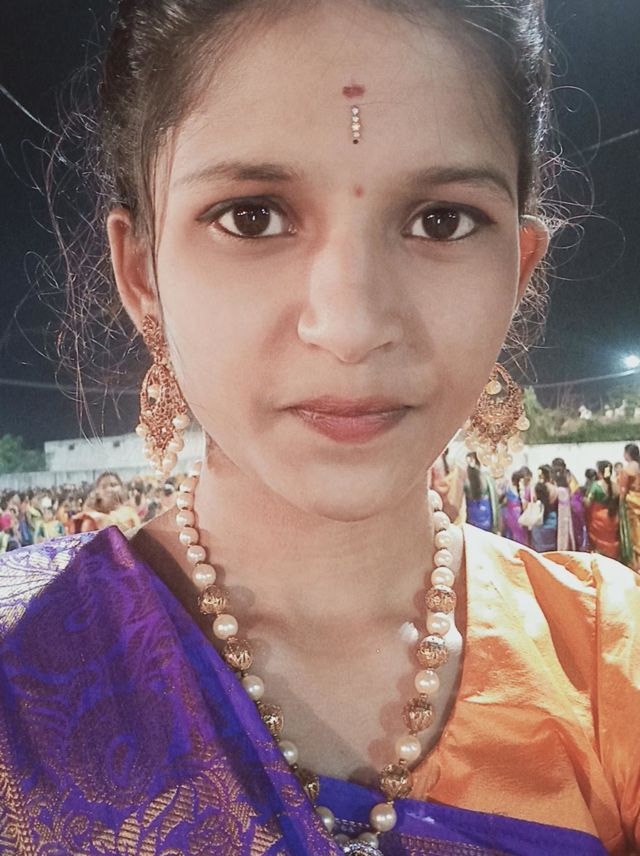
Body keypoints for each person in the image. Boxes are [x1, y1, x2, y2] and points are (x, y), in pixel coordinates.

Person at [0, 2, 638, 854]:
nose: (352, 326)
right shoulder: (22, 663)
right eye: (252, 215)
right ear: (141, 271)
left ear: (516, 273)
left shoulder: (608, 664)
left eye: (442, 220)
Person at [584, 461, 620, 561]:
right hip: (613, 518)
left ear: (600, 472)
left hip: (598, 519)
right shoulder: (616, 486)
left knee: (599, 550)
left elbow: (588, 503)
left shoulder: (596, 485)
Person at [462, 452, 499, 533]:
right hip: (485, 518)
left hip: (472, 520)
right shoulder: (487, 479)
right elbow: (494, 502)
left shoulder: (465, 481)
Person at [619, 442, 640, 571]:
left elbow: (623, 490)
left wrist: (619, 505)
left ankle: (635, 564)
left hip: (631, 504)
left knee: (633, 534)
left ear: (627, 454)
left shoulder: (627, 470)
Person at [500, 468, 530, 546]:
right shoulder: (525, 490)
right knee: (521, 536)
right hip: (520, 515)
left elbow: (500, 500)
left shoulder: (508, 489)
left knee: (510, 535)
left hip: (510, 514)